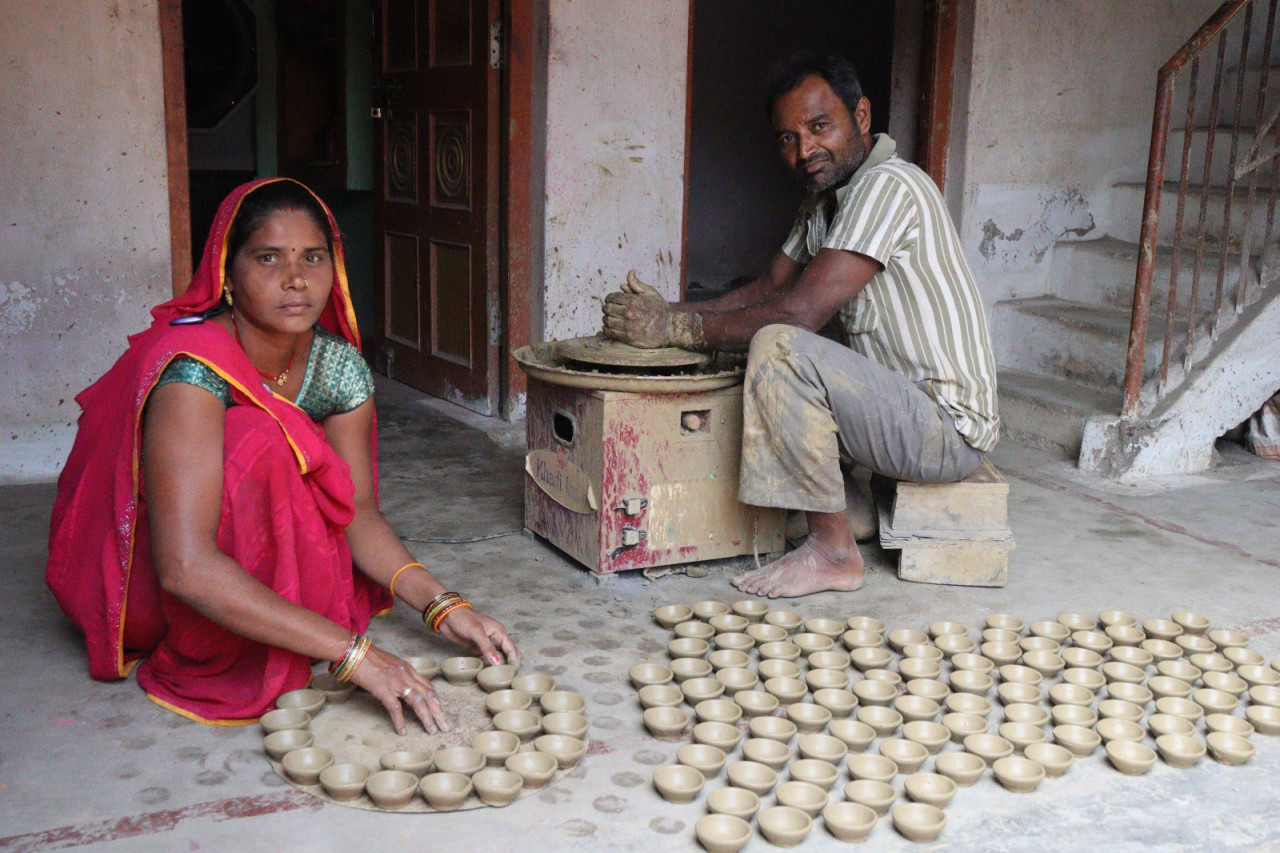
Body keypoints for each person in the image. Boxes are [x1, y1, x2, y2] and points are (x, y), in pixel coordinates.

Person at [47, 178, 518, 733]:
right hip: (163, 586)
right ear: (226, 274)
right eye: (268, 258)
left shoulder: (337, 367)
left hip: (258, 571)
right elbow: (183, 566)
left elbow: (357, 513)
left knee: (295, 457)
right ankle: (272, 637)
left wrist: (445, 608)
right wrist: (356, 656)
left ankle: (295, 622)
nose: (296, 279)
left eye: (312, 257)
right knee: (259, 439)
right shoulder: (195, 367)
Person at [603, 52, 999, 599]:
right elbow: (768, 288)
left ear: (861, 116)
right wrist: (667, 313)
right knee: (765, 337)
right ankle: (851, 511)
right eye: (789, 138)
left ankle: (835, 555)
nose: (805, 150)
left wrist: (676, 332)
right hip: (898, 413)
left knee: (780, 346)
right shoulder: (822, 202)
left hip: (945, 430)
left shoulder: (890, 186)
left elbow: (796, 313)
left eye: (819, 127)